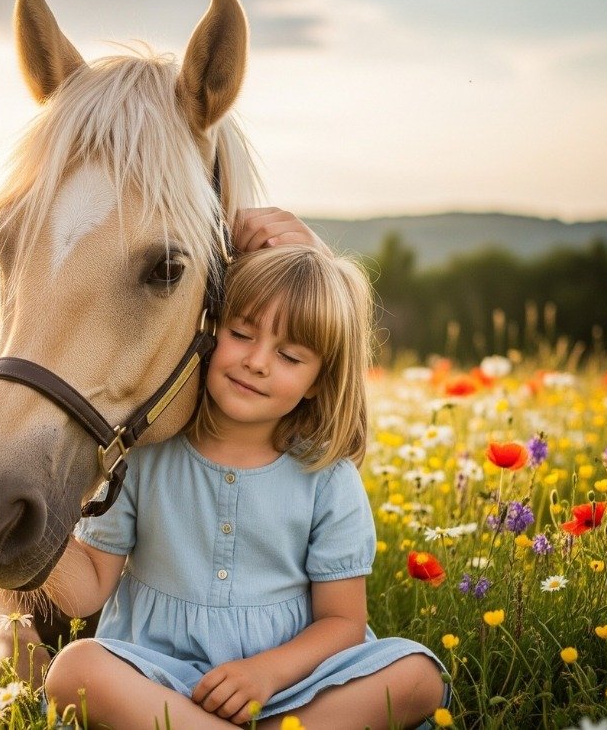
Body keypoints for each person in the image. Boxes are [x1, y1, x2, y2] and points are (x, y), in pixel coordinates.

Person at [42, 215, 450, 729]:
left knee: (417, 676)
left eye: (289, 355)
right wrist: (32, 523)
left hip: (293, 686)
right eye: (241, 333)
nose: (257, 361)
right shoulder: (145, 454)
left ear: (318, 382)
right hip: (162, 681)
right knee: (75, 670)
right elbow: (89, 590)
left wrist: (266, 673)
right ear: (209, 331)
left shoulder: (326, 476)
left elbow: (344, 621)